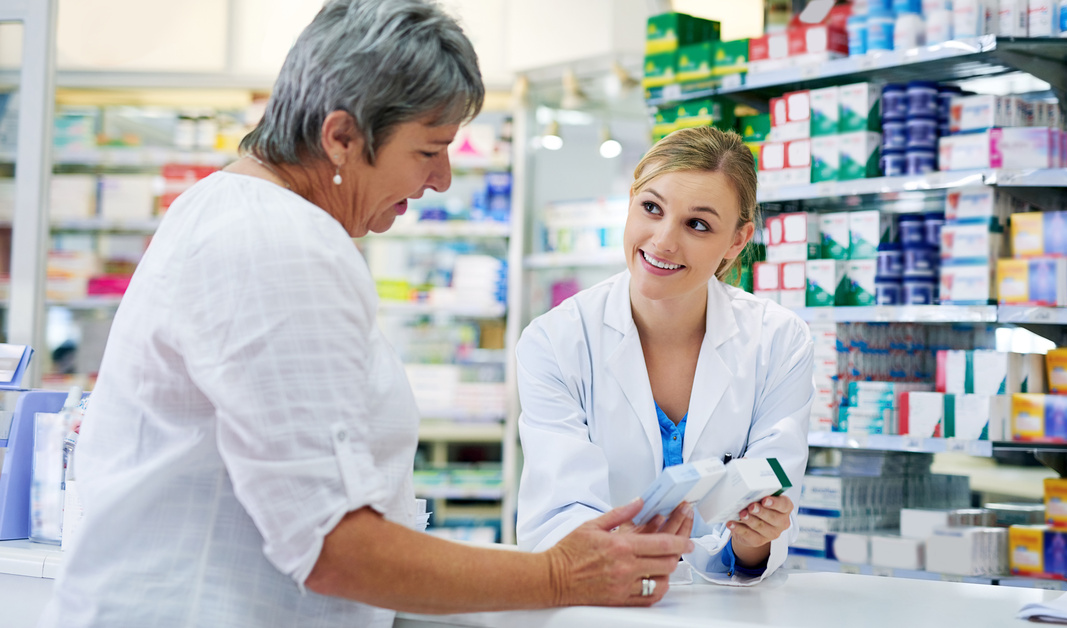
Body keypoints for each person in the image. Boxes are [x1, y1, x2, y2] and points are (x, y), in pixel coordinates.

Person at [39, 2, 691, 626]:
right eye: (429, 150)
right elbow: (332, 546)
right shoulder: (278, 243)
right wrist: (558, 574)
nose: (440, 181)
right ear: (343, 136)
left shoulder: (238, 210)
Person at [516, 126, 814, 585]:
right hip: (597, 605)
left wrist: (753, 537)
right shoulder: (556, 341)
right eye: (651, 208)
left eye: (698, 224)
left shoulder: (778, 341)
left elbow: (761, 527)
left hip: (725, 612)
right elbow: (558, 512)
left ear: (736, 242)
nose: (662, 241)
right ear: (631, 201)